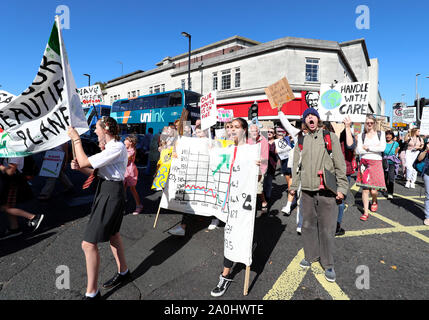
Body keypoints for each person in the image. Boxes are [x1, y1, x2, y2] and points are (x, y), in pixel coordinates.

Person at [68, 116, 130, 300]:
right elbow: (92, 170)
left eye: (97, 128)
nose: (95, 132)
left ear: (106, 130)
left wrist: (76, 139)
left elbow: (87, 162)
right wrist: (79, 168)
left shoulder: (117, 147)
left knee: (88, 244)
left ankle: (92, 293)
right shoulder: (111, 148)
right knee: (113, 235)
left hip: (110, 193)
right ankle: (124, 272)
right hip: (106, 190)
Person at [289, 108, 348, 283]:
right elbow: (296, 165)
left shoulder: (329, 137)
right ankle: (310, 255)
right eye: (307, 117)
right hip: (307, 191)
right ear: (305, 121)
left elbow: (340, 164)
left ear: (318, 118)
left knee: (327, 229)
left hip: (327, 191)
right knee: (307, 226)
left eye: (312, 115)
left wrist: (342, 188)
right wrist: (293, 186)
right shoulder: (301, 139)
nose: (310, 118)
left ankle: (328, 263)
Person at [211, 117, 260, 297]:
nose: (232, 130)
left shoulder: (251, 150)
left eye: (236, 127)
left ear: (244, 130)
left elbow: (259, 179)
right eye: (229, 127)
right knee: (230, 236)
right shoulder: (225, 150)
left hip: (244, 204)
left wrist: (257, 169)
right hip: (228, 204)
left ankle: (228, 272)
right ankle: (225, 275)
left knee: (242, 236)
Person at [0, 157, 44, 238]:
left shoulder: (15, 152)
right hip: (10, 181)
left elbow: (10, 171)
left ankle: (33, 217)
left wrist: (0, 166)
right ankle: (14, 227)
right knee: (8, 205)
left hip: (13, 181)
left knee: (5, 207)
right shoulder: (9, 150)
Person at [356, 115, 386, 221]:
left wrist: (368, 147)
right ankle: (365, 212)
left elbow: (382, 148)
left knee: (374, 191)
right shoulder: (361, 135)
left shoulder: (380, 134)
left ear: (374, 123)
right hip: (364, 163)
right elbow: (358, 151)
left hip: (376, 163)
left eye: (371, 123)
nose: (369, 125)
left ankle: (374, 200)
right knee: (365, 189)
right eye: (367, 123)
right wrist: (374, 148)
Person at [336, 116, 357, 236]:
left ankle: (336, 225)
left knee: (340, 200)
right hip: (330, 171)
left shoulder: (348, 136)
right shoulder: (331, 134)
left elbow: (350, 146)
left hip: (344, 172)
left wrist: (347, 127)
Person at [247, 124, 269, 213]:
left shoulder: (263, 141)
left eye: (255, 131)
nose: (254, 133)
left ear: (258, 131)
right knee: (249, 187)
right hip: (249, 167)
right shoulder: (247, 140)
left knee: (258, 189)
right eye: (252, 131)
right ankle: (251, 205)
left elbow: (265, 158)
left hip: (260, 168)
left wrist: (257, 160)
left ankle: (264, 202)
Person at [124, 135, 143, 215]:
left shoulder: (132, 151)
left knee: (132, 189)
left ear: (131, 143)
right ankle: (122, 206)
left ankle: (139, 205)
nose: (124, 141)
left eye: (126, 140)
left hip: (130, 171)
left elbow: (125, 158)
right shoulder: (125, 149)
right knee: (123, 190)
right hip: (124, 170)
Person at [383, 130, 400, 199]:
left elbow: (396, 152)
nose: (388, 136)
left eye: (390, 134)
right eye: (387, 134)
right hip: (384, 162)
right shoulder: (383, 143)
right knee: (385, 177)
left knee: (391, 177)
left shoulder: (396, 143)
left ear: (392, 136)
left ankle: (390, 193)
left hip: (392, 162)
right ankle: (386, 189)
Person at [263, 127, 278, 206]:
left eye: (271, 132)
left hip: (272, 164)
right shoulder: (263, 141)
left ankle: (267, 198)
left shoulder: (276, 143)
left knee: (268, 182)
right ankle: (262, 197)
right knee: (262, 182)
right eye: (268, 131)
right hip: (263, 164)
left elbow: (278, 152)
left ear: (274, 134)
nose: (269, 133)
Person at [417, 144, 429, 226]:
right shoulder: (427, 148)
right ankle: (428, 216)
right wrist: (426, 150)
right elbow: (419, 159)